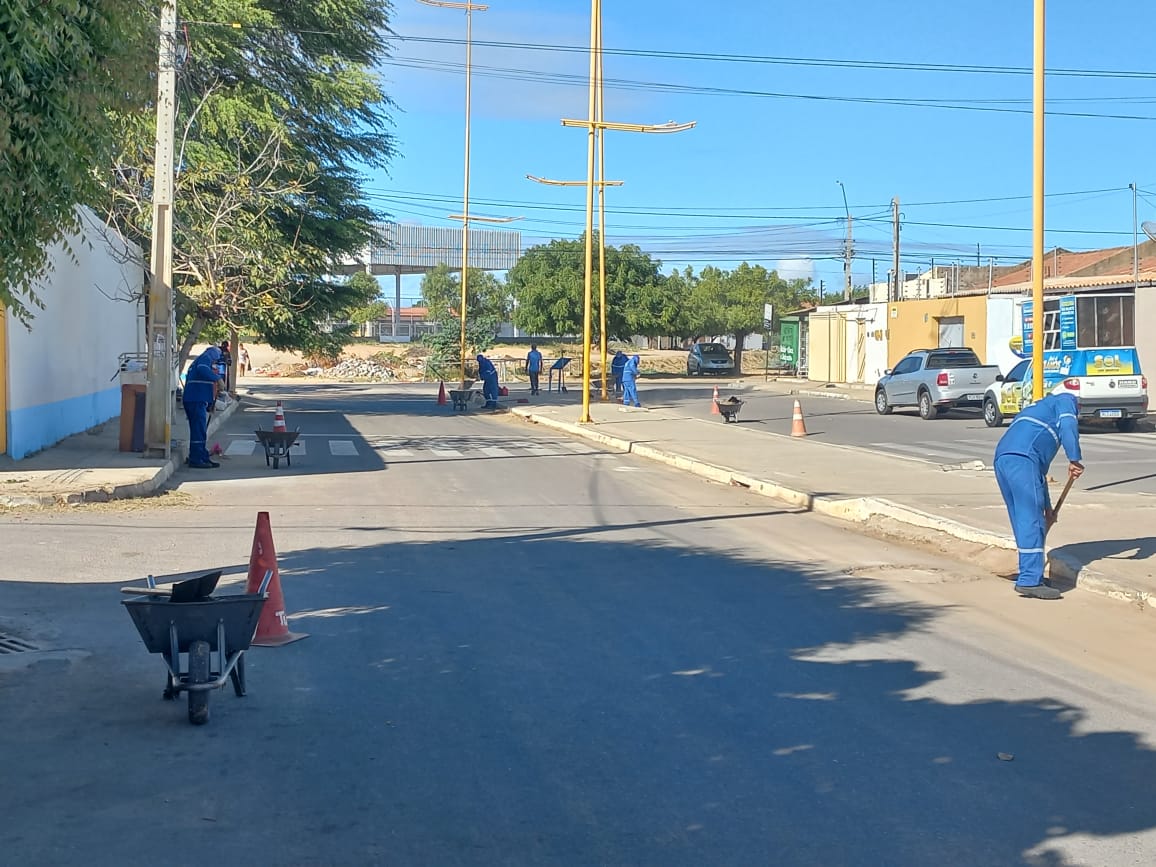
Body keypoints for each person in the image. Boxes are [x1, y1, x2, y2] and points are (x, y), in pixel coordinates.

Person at [993, 391, 1084, 600]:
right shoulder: (1064, 402)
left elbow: (1038, 476)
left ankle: (1029, 571)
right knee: (1031, 520)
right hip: (1023, 460)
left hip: (1004, 460)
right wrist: (1075, 459)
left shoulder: (1037, 410)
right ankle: (1029, 581)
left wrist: (1048, 508)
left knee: (1024, 517)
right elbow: (1069, 426)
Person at [183, 346, 223, 469]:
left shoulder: (203, 360)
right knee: (198, 430)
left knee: (200, 431)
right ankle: (196, 459)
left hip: (198, 400)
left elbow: (204, 381)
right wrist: (218, 379)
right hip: (195, 400)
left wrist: (210, 404)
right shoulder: (205, 359)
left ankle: (201, 456)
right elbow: (203, 370)